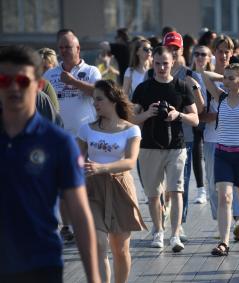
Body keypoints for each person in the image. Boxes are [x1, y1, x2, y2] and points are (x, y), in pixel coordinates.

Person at [0, 45, 100, 283]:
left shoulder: (58, 143)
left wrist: (94, 277)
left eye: (23, 80)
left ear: (39, 85)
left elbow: (79, 212)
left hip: (41, 264)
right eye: (5, 79)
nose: (14, 87)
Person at [77, 80, 146, 283]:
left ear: (113, 100)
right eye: (94, 100)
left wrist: (102, 167)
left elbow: (130, 161)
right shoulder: (86, 129)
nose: (95, 104)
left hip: (120, 187)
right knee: (99, 244)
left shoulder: (131, 129)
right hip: (92, 189)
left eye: (99, 99)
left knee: (121, 249)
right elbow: (77, 159)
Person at [132, 46, 199, 252]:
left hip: (176, 146)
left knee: (176, 191)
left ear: (173, 63)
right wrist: (147, 114)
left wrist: (178, 115)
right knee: (153, 195)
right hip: (149, 147)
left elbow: (195, 119)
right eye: (158, 63)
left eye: (166, 63)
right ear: (152, 63)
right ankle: (158, 231)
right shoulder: (143, 89)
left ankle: (175, 234)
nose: (162, 67)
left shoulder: (182, 86)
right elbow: (131, 119)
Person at [44, 31, 101, 244]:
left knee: (84, 186)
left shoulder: (91, 71)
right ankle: (66, 226)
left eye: (68, 47)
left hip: (86, 138)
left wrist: (74, 82)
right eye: (61, 47)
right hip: (59, 139)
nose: (64, 51)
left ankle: (86, 226)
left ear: (78, 49)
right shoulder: (50, 75)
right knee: (62, 186)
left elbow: (99, 93)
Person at [200, 63, 239, 256]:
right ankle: (223, 242)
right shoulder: (221, 96)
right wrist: (224, 78)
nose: (226, 82)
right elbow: (205, 75)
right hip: (223, 155)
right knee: (224, 197)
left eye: (230, 78)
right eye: (225, 78)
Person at [201, 35, 239, 241]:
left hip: (235, 139)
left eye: (228, 51)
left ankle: (237, 221)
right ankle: (222, 219)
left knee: (234, 183)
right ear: (214, 53)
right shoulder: (208, 80)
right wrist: (224, 80)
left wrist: (232, 78)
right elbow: (201, 113)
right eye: (220, 51)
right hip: (211, 137)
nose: (224, 54)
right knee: (213, 184)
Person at [161, 31, 205, 240]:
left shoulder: (189, 74)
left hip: (184, 136)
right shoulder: (156, 71)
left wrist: (194, 87)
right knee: (161, 187)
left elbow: (201, 108)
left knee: (181, 185)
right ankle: (162, 219)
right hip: (157, 138)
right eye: (168, 47)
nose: (172, 51)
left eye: (175, 48)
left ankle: (179, 225)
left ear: (181, 49)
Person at [191, 44, 214, 204]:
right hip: (195, 119)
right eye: (197, 54)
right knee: (196, 154)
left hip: (211, 120)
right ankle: (201, 190)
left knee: (210, 156)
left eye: (203, 54)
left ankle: (211, 185)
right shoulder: (188, 74)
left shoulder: (213, 76)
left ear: (209, 57)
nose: (200, 57)